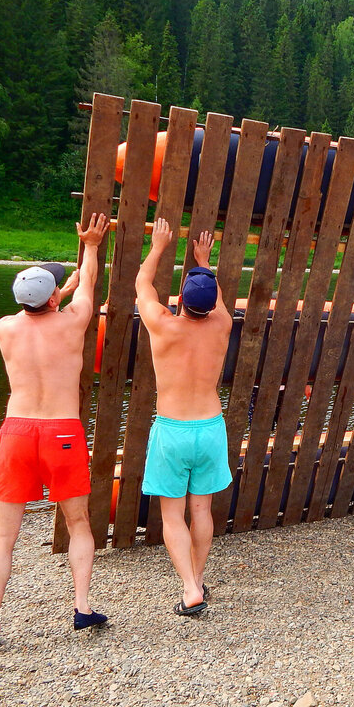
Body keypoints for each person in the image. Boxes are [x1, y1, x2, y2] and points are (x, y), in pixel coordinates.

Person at [0, 213, 111, 653]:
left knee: (2, 536)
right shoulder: (73, 322)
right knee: (78, 523)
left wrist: (54, 295)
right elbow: (89, 283)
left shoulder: (4, 328)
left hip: (17, 431)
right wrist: (90, 245)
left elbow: (33, 313)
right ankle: (82, 607)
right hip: (62, 432)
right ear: (54, 299)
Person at [136, 218, 233, 617]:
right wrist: (204, 263)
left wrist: (158, 247)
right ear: (211, 303)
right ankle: (198, 576)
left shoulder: (163, 325)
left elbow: (143, 286)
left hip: (172, 428)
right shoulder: (223, 325)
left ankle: (191, 588)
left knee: (172, 514)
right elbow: (220, 300)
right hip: (210, 428)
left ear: (183, 301)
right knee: (202, 511)